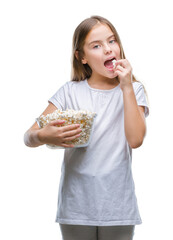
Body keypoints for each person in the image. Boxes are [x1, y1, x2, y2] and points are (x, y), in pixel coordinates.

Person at [24, 15, 149, 240]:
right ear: (81, 57)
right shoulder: (69, 92)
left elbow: (135, 140)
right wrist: (43, 135)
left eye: (112, 41)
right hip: (76, 205)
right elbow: (28, 136)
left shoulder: (133, 89)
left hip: (117, 206)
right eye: (96, 46)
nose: (108, 50)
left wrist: (127, 87)